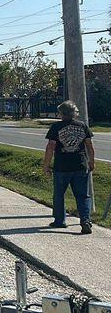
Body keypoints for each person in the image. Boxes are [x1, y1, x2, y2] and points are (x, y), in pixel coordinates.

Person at [43, 100, 96, 234]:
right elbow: (89, 145)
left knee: (59, 194)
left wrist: (46, 165)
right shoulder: (83, 126)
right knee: (83, 195)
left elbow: (50, 147)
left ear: (61, 113)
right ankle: (85, 221)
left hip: (62, 166)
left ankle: (60, 221)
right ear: (74, 113)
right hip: (80, 164)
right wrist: (91, 161)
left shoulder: (56, 127)